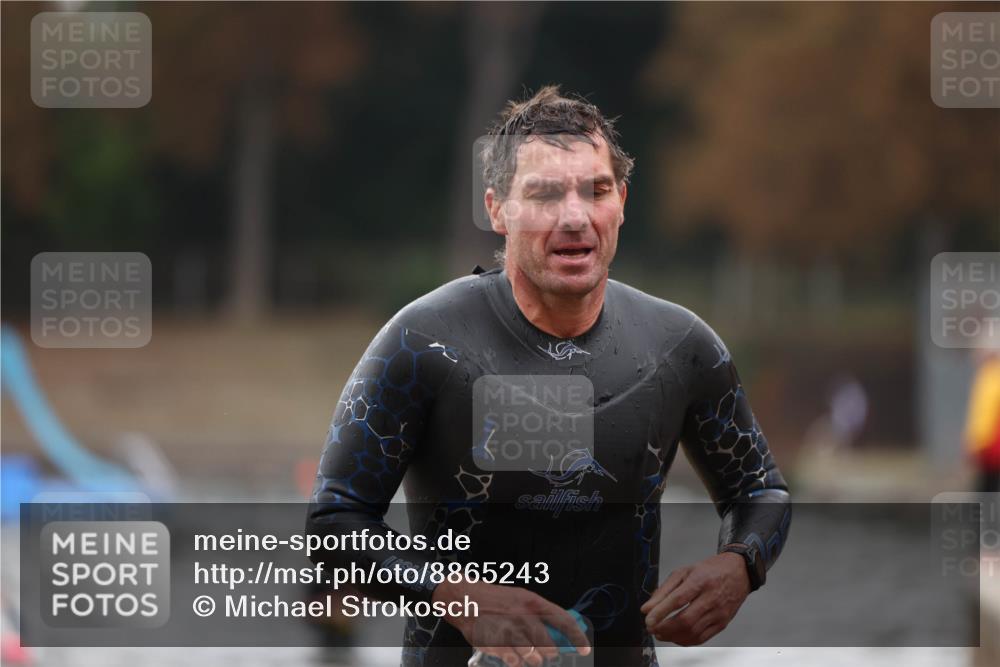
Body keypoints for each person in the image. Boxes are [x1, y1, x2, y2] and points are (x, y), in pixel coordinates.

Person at [306, 86, 791, 667]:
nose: (574, 216)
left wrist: (740, 564)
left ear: (623, 201)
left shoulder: (678, 347)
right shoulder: (423, 343)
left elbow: (759, 491)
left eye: (596, 190)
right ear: (496, 209)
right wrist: (456, 594)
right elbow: (334, 526)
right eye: (543, 194)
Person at [964, 345, 1000, 494]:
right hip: (990, 445)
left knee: (986, 488)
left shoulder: (990, 376)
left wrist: (973, 443)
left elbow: (983, 414)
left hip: (990, 445)